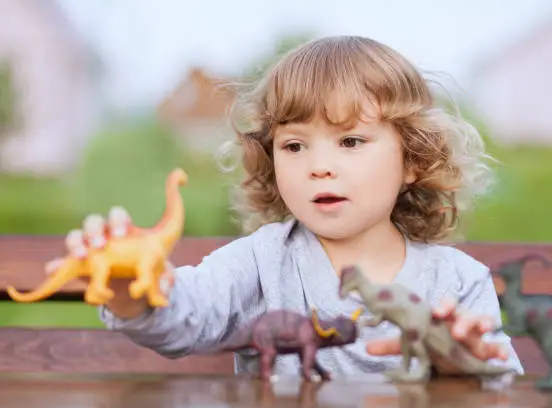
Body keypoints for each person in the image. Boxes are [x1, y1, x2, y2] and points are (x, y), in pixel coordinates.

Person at [51, 35, 523, 386]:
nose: (318, 166)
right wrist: (131, 291)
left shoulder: (458, 282)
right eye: (295, 145)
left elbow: (502, 379)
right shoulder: (261, 262)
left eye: (351, 141)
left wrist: (464, 363)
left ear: (413, 161)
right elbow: (183, 317)